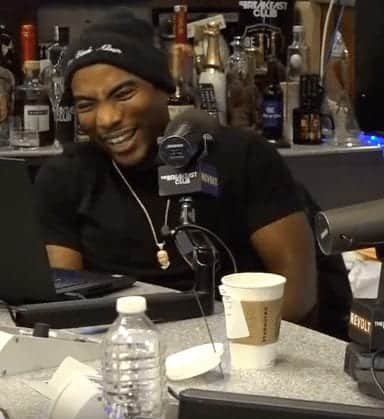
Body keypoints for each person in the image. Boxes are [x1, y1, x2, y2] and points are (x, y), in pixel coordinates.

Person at [33, 11, 321, 329]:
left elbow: (297, 295)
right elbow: (66, 304)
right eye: (87, 105)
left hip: (236, 345)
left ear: (163, 88)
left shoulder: (242, 157)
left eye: (123, 94)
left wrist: (213, 349)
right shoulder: (64, 177)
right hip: (121, 347)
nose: (106, 119)